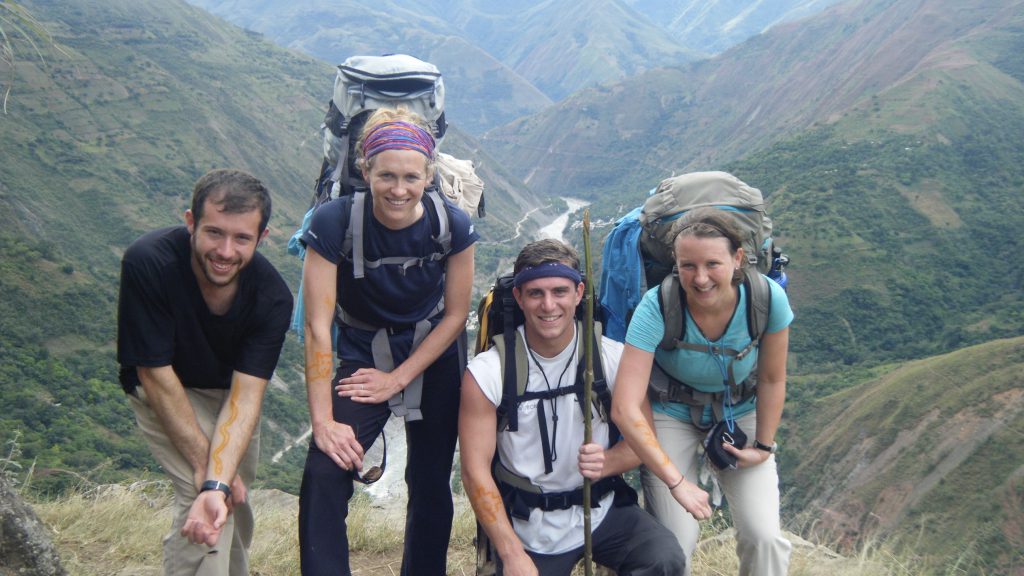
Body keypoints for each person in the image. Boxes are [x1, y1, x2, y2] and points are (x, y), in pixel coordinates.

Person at [298, 107, 478, 575]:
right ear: (366, 170)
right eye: (387, 176)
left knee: (431, 477)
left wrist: (396, 379)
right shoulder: (333, 222)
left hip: (433, 351)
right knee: (325, 469)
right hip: (361, 352)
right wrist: (323, 423)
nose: (399, 189)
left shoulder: (452, 225)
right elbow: (319, 327)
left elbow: (456, 315)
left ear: (429, 175)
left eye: (411, 177)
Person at [460, 239, 685, 576]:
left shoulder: (612, 359)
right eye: (535, 293)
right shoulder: (488, 373)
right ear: (519, 297)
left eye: (559, 291)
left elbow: (643, 441)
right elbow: (474, 471)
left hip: (603, 509)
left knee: (662, 558)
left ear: (579, 293)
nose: (548, 305)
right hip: (528, 527)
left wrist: (608, 461)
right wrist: (511, 554)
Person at [117, 169, 293, 575]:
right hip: (164, 387)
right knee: (208, 498)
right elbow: (154, 372)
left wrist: (220, 478)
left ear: (261, 239)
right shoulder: (149, 263)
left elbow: (246, 395)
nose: (226, 251)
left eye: (242, 238)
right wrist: (209, 472)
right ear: (190, 222)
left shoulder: (271, 297)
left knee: (235, 501)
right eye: (214, 233)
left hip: (228, 393)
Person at [611, 208, 794, 576]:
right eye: (688, 266)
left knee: (765, 538)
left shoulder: (766, 299)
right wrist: (676, 482)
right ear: (675, 265)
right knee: (673, 544)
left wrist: (763, 446)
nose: (701, 277)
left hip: (739, 410)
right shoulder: (658, 306)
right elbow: (626, 406)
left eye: (713, 263)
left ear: (738, 258)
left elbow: (773, 379)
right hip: (670, 412)